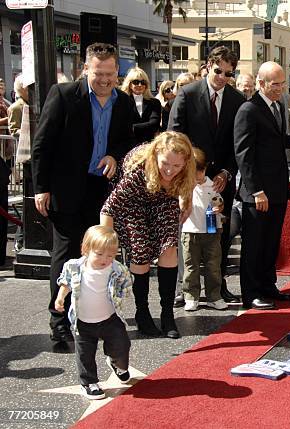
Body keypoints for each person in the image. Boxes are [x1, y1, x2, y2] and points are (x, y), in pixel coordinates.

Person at [32, 42, 136, 344]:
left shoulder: (124, 102)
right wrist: (42, 188)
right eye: (98, 73)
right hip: (65, 190)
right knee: (65, 255)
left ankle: (94, 316)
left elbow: (126, 141)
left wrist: (114, 156)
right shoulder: (63, 96)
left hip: (101, 190)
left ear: (117, 71)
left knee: (97, 254)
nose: (104, 79)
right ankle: (59, 321)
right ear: (85, 69)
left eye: (110, 73)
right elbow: (43, 145)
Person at [168, 46, 245, 305]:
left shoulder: (237, 101)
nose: (222, 77)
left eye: (228, 73)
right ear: (207, 66)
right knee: (186, 234)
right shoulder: (187, 95)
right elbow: (175, 137)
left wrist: (227, 172)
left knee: (217, 235)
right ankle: (184, 288)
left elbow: (240, 144)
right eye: (218, 71)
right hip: (188, 178)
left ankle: (217, 286)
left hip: (219, 183)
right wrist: (189, 173)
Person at [100, 131, 195, 339]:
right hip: (133, 203)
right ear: (156, 156)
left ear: (186, 163)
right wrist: (104, 246)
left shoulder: (186, 171)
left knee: (169, 246)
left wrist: (186, 201)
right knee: (140, 252)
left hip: (163, 199)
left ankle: (167, 314)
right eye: (165, 164)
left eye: (177, 166)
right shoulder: (138, 173)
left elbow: (186, 189)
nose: (169, 170)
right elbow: (108, 209)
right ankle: (142, 313)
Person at [234, 61, 290, 310]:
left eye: (283, 84)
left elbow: (278, 140)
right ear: (260, 83)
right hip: (258, 193)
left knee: (271, 242)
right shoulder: (248, 110)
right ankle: (251, 293)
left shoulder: (278, 106)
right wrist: (256, 190)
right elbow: (244, 154)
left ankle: (267, 286)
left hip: (278, 189)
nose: (280, 89)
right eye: (275, 84)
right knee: (254, 245)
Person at [54, 225, 132, 400]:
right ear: (86, 249)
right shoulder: (75, 266)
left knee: (122, 345)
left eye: (111, 255)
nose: (105, 259)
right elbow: (65, 282)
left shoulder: (116, 269)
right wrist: (60, 299)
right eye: (99, 254)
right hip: (83, 321)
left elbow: (127, 282)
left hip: (110, 318)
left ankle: (117, 363)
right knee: (85, 354)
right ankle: (88, 382)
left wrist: (121, 293)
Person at [181, 147, 228, 311]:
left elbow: (219, 202)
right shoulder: (184, 185)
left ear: (205, 169)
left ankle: (214, 296)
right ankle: (190, 296)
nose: (196, 177)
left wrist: (219, 207)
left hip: (212, 231)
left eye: (199, 172)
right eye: (192, 173)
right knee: (190, 266)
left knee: (213, 265)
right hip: (190, 231)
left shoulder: (212, 185)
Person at [121, 67, 161, 144]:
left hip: (148, 146)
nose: (140, 85)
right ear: (129, 84)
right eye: (136, 82)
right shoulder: (122, 101)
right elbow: (121, 126)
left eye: (143, 82)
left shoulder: (154, 102)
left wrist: (132, 128)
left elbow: (154, 124)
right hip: (127, 146)